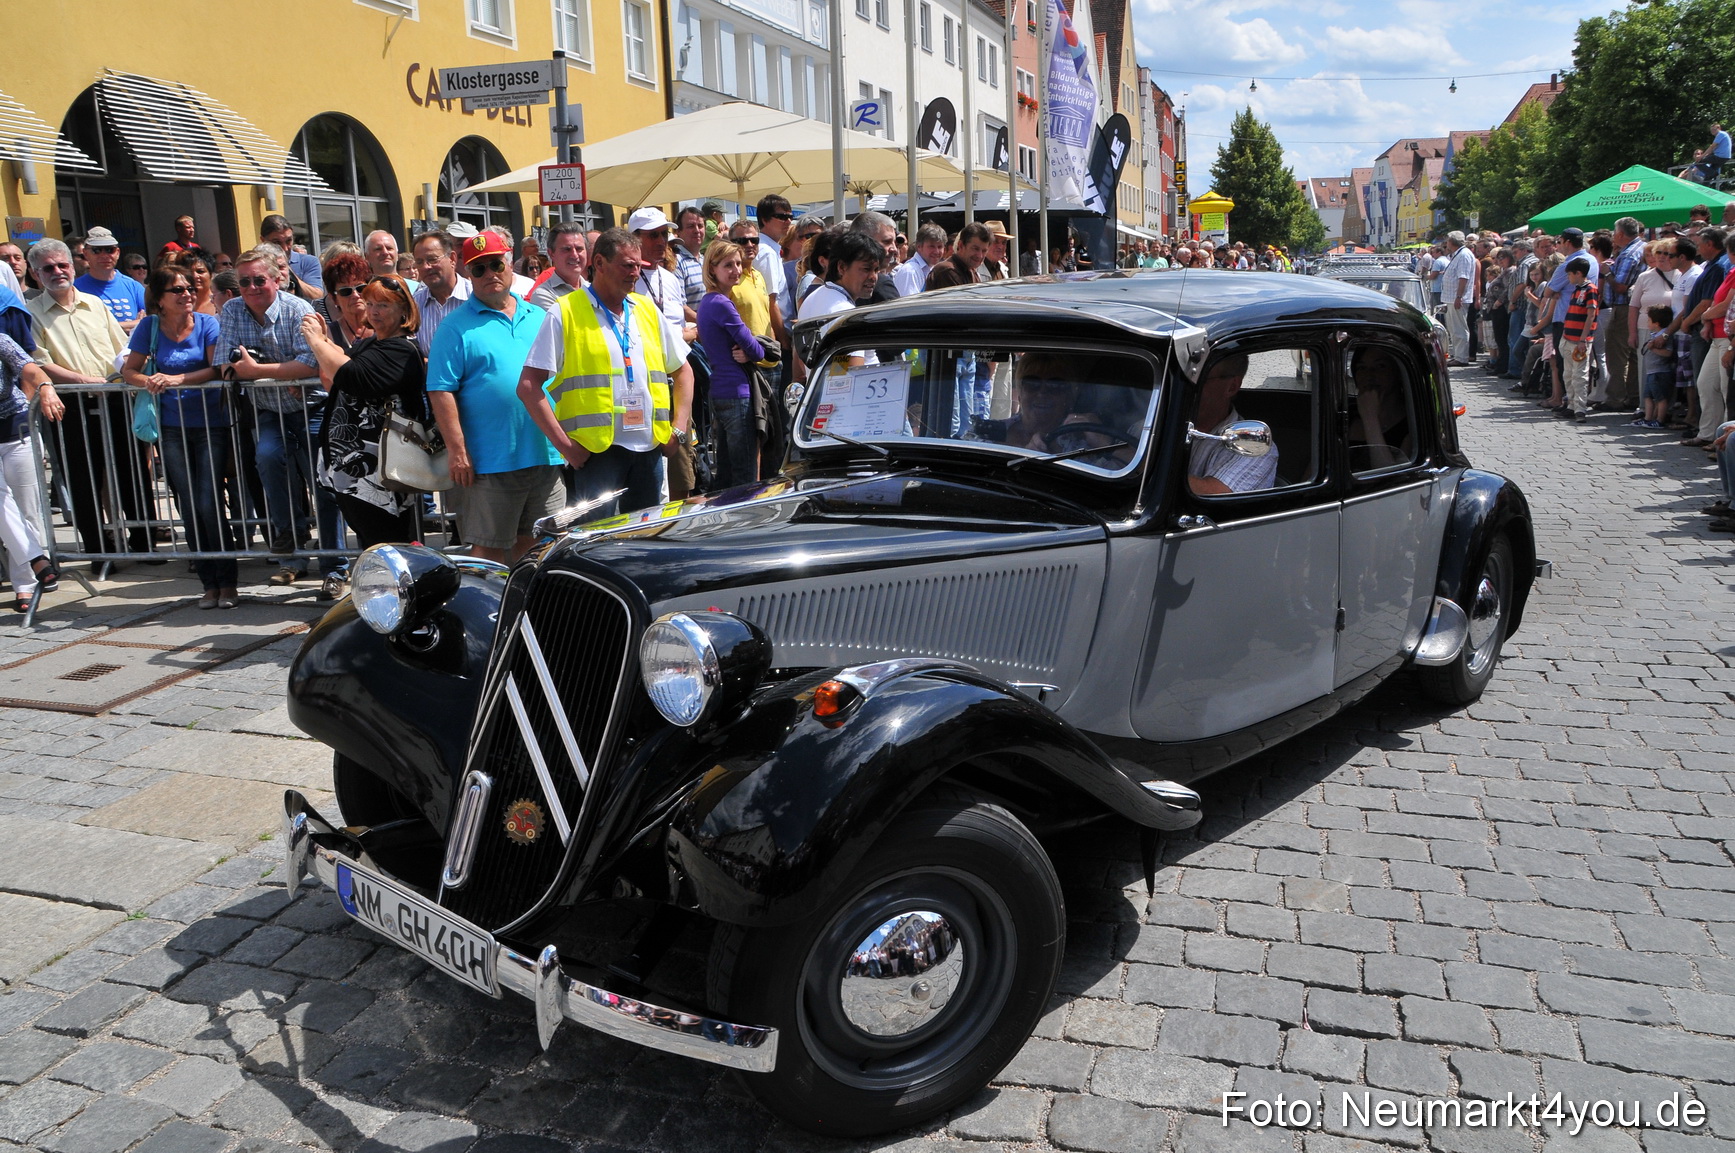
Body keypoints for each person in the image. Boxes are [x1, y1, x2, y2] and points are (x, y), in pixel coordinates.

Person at [517, 227, 695, 518]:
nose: (635, 273)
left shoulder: (646, 309)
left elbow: (684, 371)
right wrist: (566, 447)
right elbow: (528, 386)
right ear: (599, 264)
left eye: (639, 266)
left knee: (646, 538)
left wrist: (678, 428)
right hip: (597, 453)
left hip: (649, 447)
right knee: (597, 542)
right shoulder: (565, 311)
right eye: (627, 265)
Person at [426, 231, 562, 562]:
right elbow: (440, 390)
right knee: (488, 552)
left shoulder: (540, 317)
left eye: (496, 265)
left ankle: (530, 611)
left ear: (509, 263)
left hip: (545, 454)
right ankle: (489, 613)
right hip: (489, 461)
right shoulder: (455, 326)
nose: (489, 274)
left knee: (540, 548)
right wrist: (458, 452)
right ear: (468, 274)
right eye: (479, 269)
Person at [27, 238, 158, 559]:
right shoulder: (30, 314)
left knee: (132, 473)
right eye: (48, 268)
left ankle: (145, 543)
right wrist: (85, 381)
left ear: (73, 266)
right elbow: (40, 363)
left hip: (114, 399)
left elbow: (122, 349)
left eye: (62, 265)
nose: (57, 272)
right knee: (82, 479)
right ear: (35, 273)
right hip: (69, 407)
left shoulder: (96, 305)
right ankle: (100, 551)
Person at [218, 247, 339, 587]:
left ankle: (334, 566)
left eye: (260, 280)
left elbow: (312, 363)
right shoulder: (231, 310)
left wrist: (257, 370)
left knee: (324, 486)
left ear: (277, 279)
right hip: (270, 410)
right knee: (268, 461)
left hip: (313, 408)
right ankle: (291, 551)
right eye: (245, 282)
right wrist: (282, 374)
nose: (252, 287)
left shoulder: (298, 309)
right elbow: (224, 365)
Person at [121, 265, 234, 608]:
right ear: (159, 299)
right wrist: (151, 381)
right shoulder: (149, 326)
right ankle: (208, 583)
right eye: (177, 290)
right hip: (170, 427)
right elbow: (128, 370)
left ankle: (228, 582)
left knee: (209, 502)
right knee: (187, 504)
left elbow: (216, 368)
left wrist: (175, 379)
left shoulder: (207, 323)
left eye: (188, 288)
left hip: (209, 424)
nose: (187, 294)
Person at [302, 275, 427, 567]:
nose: (373, 311)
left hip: (379, 473)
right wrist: (324, 340)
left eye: (383, 305)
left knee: (386, 547)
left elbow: (350, 376)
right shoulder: (373, 344)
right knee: (376, 548)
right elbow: (343, 363)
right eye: (370, 303)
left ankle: (396, 604)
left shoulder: (400, 349)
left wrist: (314, 341)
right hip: (357, 473)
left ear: (404, 311)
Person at [697, 239, 765, 490]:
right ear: (712, 269)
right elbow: (756, 349)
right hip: (737, 393)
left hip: (720, 391)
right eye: (728, 265)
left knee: (725, 474)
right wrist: (750, 352)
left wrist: (747, 352)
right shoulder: (722, 303)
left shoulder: (707, 302)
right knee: (745, 474)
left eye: (738, 263)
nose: (736, 269)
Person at [1188, 352, 1278, 494]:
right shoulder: (1150, 424)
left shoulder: (1256, 445)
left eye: (1198, 379)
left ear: (1232, 387)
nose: (1187, 387)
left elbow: (1216, 494)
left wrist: (1147, 467)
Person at [1603, 217, 1647, 412]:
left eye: (1615, 232)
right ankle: (1633, 395)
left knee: (1616, 353)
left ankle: (1615, 398)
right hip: (1633, 307)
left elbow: (1621, 286)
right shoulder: (1640, 248)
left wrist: (1607, 272)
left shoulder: (1629, 254)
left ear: (1620, 234)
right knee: (1632, 354)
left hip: (1623, 307)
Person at [1348, 346, 1416, 469]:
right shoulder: (1345, 415)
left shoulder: (1412, 425)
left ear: (1398, 372)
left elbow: (1389, 477)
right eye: (1362, 368)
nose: (1369, 375)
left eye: (1380, 366)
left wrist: (1370, 418)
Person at [74, 226, 145, 334]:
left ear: (117, 252)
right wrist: (134, 324)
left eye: (109, 250)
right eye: (96, 250)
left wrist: (105, 327)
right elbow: (83, 328)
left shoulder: (134, 286)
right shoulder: (75, 289)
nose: (104, 255)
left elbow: (152, 322)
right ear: (86, 254)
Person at [410, 231, 470, 357]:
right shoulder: (414, 305)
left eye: (432, 259)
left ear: (452, 259)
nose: (426, 267)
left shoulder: (475, 296)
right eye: (419, 262)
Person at [1559, 256, 1599, 422]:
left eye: (1570, 274)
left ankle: (1580, 408)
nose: (1568, 278)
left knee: (1579, 375)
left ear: (1579, 273)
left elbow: (1591, 315)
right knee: (1568, 374)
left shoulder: (1590, 289)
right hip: (1568, 336)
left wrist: (1583, 339)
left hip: (1580, 340)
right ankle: (1571, 404)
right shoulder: (1576, 289)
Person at [315, 250, 374, 354]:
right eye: (345, 291)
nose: (355, 295)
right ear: (334, 299)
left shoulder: (383, 325)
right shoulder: (329, 333)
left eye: (360, 288)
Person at [753, 195, 795, 323]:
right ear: (765, 220)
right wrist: (783, 340)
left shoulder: (767, 248)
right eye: (782, 217)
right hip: (776, 331)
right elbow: (771, 302)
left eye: (790, 217)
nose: (788, 221)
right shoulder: (767, 252)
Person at [528, 222, 588, 312]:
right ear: (551, 253)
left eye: (579, 249)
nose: (575, 255)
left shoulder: (593, 290)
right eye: (567, 249)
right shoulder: (543, 295)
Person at [260, 215, 324, 298]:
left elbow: (316, 295)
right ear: (263, 240)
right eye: (277, 242)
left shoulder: (308, 261)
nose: (285, 248)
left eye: (288, 241)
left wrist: (287, 270)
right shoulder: (255, 264)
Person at [1440, 231, 1475, 365]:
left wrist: (1459, 296)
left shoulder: (1464, 255)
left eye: (1448, 241)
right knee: (1454, 329)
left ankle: (1462, 357)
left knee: (1459, 328)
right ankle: (1458, 354)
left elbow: (1463, 277)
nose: (1446, 244)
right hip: (1451, 297)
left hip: (1457, 298)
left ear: (1451, 242)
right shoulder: (1458, 254)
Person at [926, 222, 991, 291]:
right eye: (975, 249)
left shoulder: (971, 271)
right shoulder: (948, 272)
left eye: (984, 251)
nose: (979, 255)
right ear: (960, 245)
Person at [895, 224, 946, 296]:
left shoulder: (931, 269)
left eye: (940, 247)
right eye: (931, 246)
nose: (936, 251)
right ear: (919, 246)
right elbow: (909, 305)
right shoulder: (910, 271)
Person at [671, 207, 707, 310]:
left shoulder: (705, 260)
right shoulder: (676, 261)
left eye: (700, 226)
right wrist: (707, 324)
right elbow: (681, 307)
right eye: (691, 226)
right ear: (679, 231)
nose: (697, 230)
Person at [176, 250, 219, 316]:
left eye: (200, 271)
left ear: (211, 274)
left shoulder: (221, 302)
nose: (195, 276)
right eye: (189, 272)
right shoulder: (177, 305)